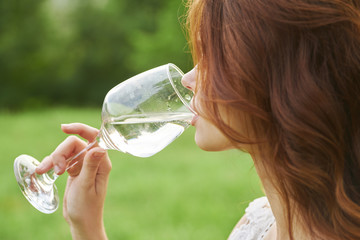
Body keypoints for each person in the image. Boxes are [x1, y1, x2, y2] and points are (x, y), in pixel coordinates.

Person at [35, 0, 360, 239]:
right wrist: (85, 225)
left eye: (213, 60)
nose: (188, 79)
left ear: (283, 80)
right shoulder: (259, 225)